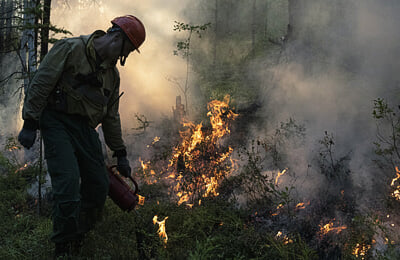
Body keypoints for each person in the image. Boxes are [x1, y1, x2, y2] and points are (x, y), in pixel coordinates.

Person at [17, 15, 145, 258]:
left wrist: (121, 154)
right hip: (57, 122)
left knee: (98, 185)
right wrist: (30, 122)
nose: (121, 58)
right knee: (67, 185)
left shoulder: (112, 76)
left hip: (85, 129)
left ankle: (79, 236)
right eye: (123, 51)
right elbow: (42, 83)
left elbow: (111, 116)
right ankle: (62, 248)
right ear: (115, 37)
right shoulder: (70, 49)